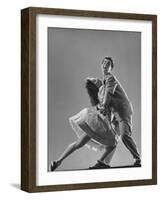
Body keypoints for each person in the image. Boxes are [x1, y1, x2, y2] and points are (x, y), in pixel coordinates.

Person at [50, 78, 119, 171]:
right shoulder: (107, 95)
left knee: (78, 144)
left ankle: (58, 161)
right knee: (114, 142)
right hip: (99, 123)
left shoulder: (101, 94)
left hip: (93, 121)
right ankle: (101, 162)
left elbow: (96, 84)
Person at [96, 56, 141, 167]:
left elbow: (108, 96)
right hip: (116, 115)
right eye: (104, 63)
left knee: (124, 136)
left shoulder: (110, 78)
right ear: (101, 66)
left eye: (108, 64)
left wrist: (103, 107)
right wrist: (107, 117)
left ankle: (138, 159)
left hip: (123, 111)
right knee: (112, 139)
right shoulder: (105, 81)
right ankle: (104, 163)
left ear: (111, 68)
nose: (105, 65)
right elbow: (108, 103)